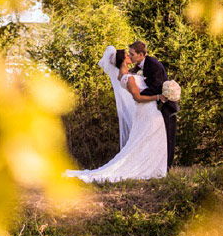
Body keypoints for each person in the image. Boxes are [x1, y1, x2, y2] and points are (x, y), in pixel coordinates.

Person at [63, 45, 167, 182]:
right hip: (147, 112)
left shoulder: (125, 75)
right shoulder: (128, 78)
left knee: (145, 142)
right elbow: (138, 97)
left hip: (147, 112)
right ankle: (147, 169)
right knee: (146, 141)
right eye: (127, 55)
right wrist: (159, 97)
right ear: (123, 61)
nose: (130, 56)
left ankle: (153, 169)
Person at [128, 41, 179, 170]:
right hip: (154, 106)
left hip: (166, 106)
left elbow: (157, 87)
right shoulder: (142, 65)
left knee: (168, 137)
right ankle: (155, 165)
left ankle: (166, 167)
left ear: (141, 54)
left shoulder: (153, 65)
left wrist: (138, 93)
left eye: (132, 54)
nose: (130, 57)